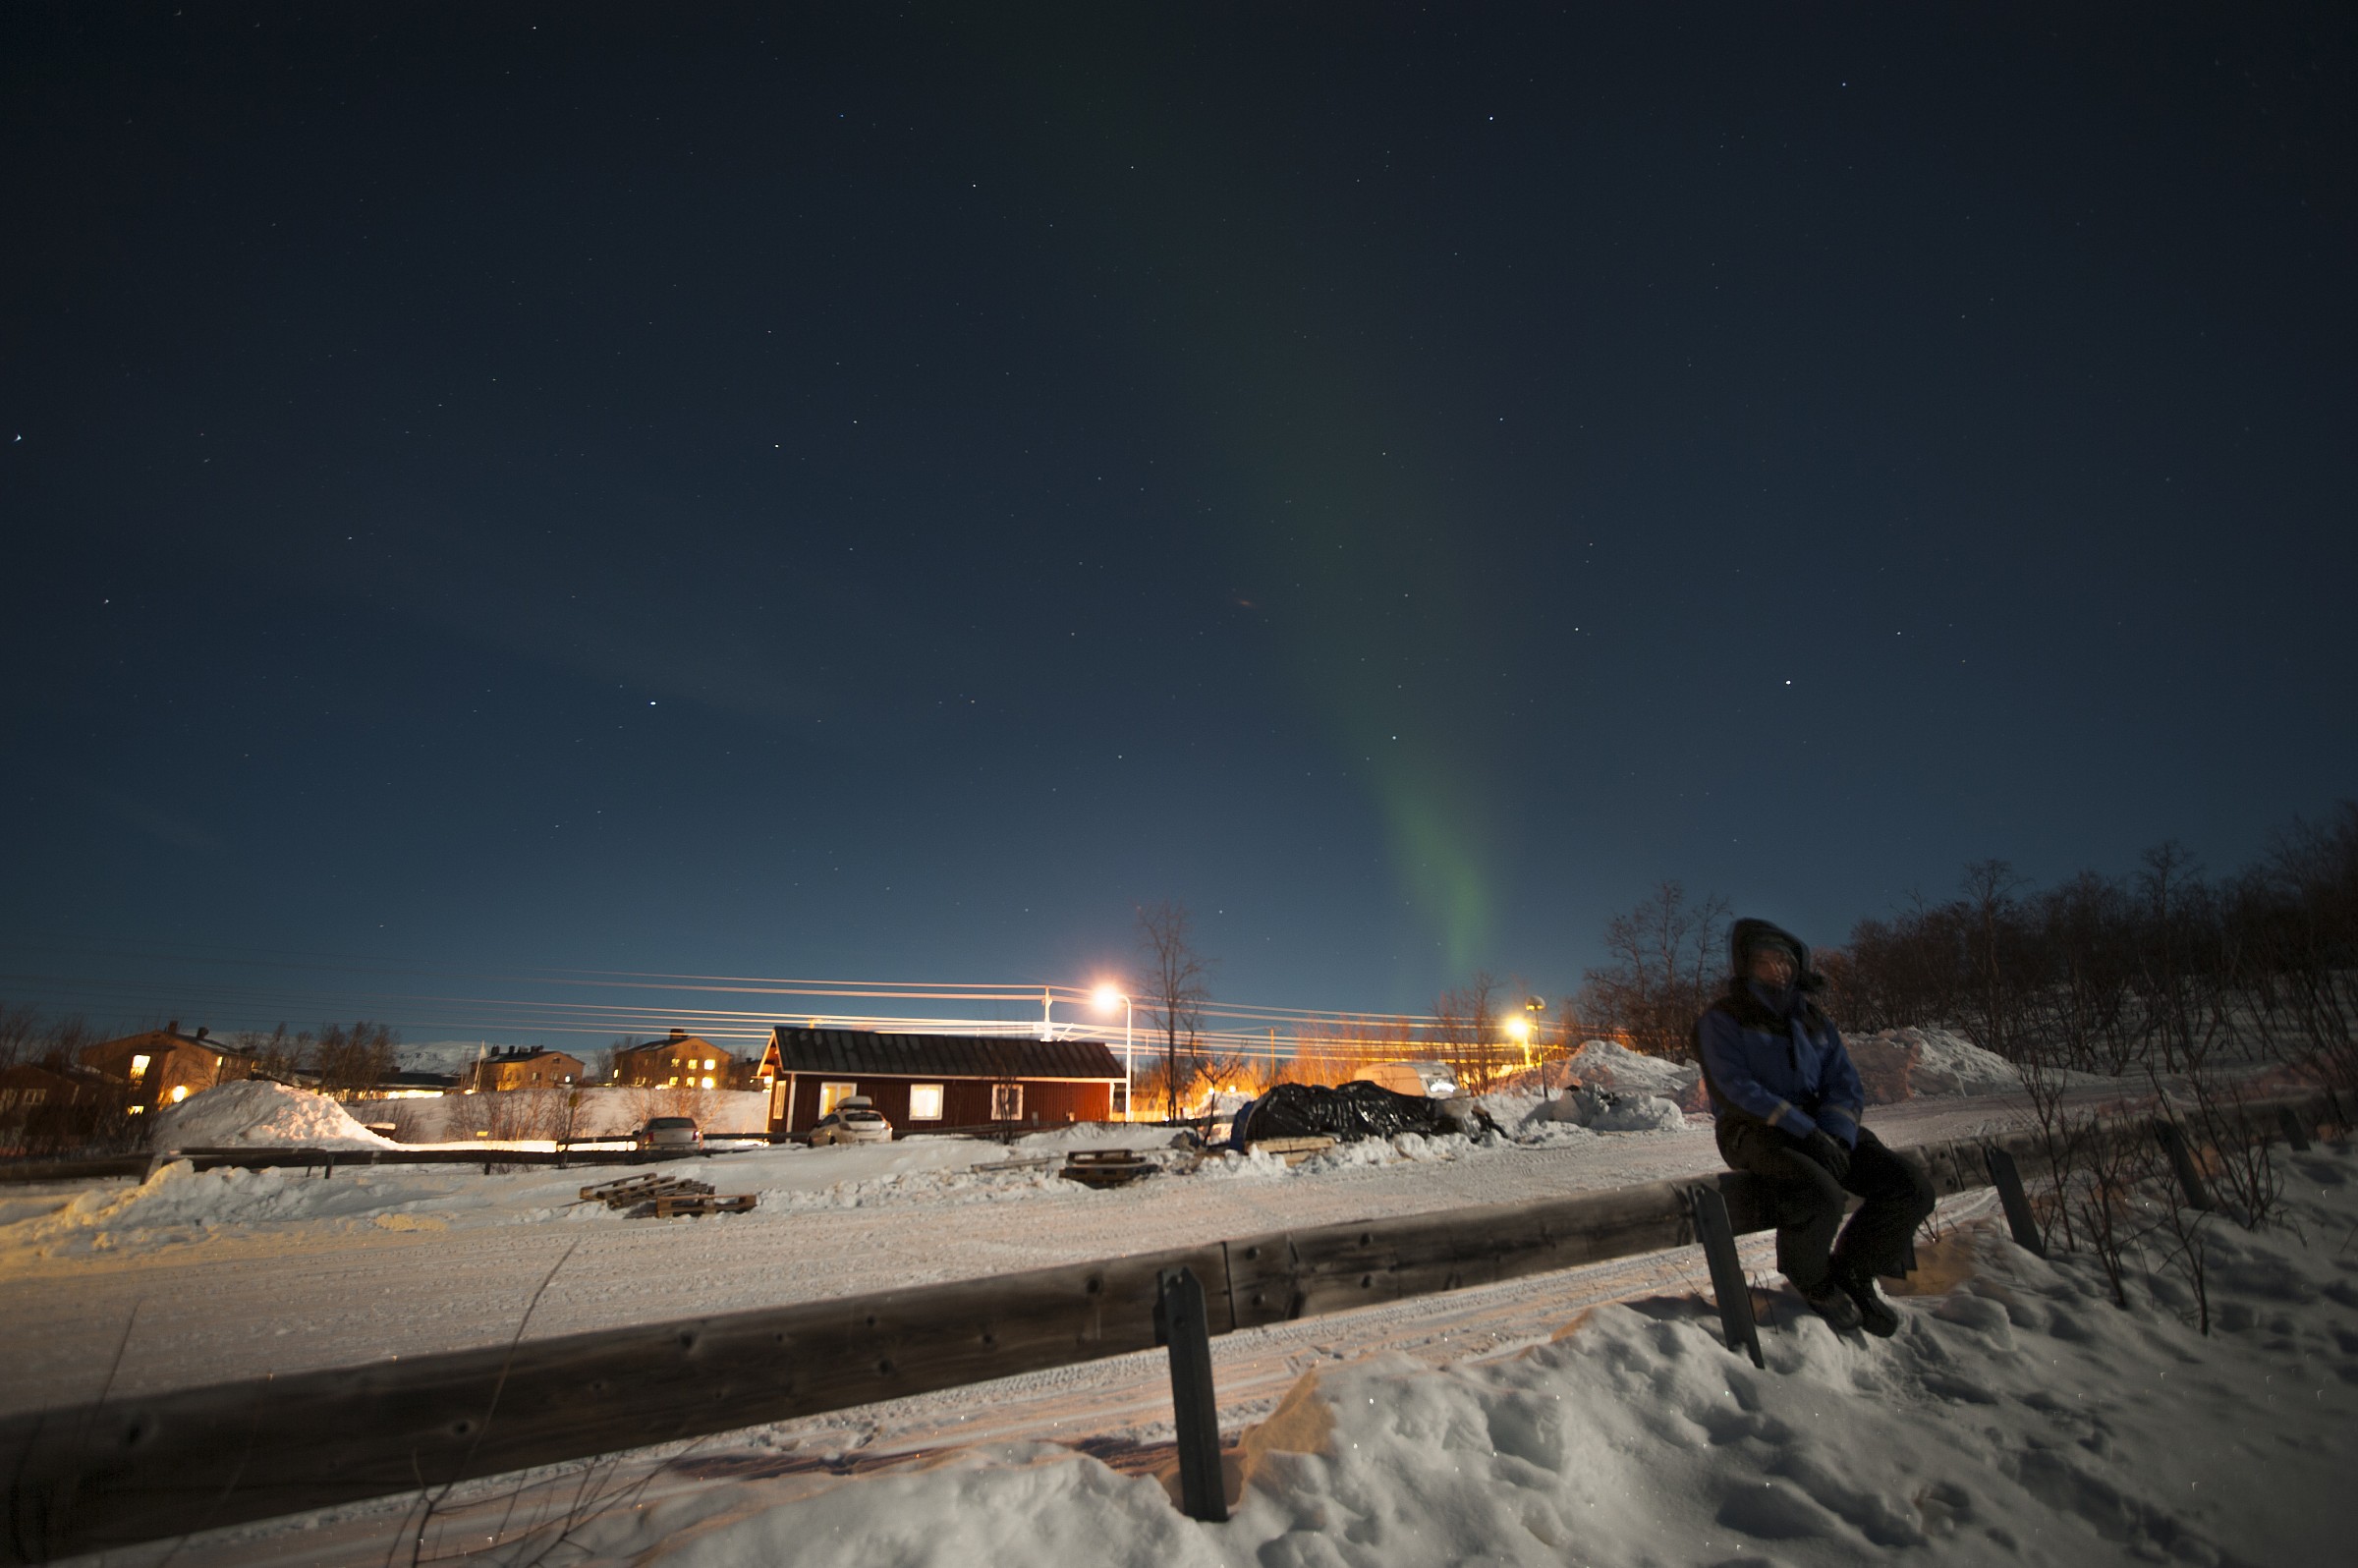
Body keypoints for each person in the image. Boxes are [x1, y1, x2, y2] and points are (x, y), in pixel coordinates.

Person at [1696, 919, 1936, 1337]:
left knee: (1908, 1187)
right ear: (1745, 965)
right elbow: (1735, 1087)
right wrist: (1805, 1131)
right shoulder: (1724, 1018)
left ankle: (1853, 1274)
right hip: (1753, 1129)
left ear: (1798, 967)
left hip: (1822, 1129)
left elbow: (1843, 1083)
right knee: (1819, 1193)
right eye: (1764, 960)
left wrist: (1837, 1136)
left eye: (1785, 960)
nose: (1777, 968)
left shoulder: (1814, 1021)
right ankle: (1814, 1280)